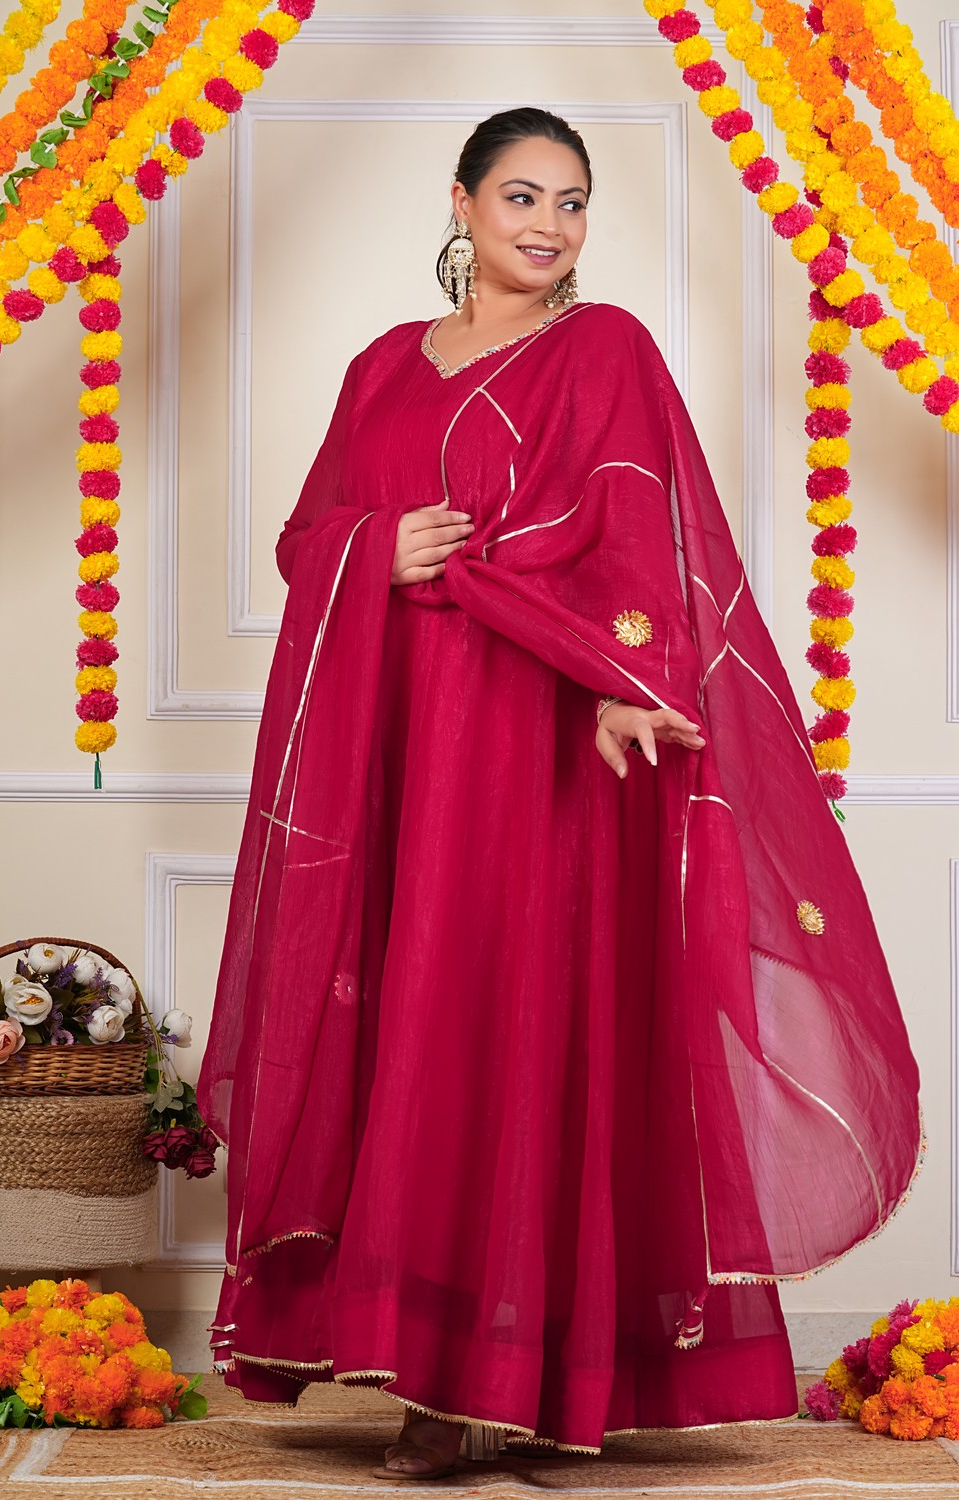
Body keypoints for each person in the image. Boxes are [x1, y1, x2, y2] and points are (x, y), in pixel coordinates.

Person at [197, 107, 922, 1479]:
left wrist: (622, 686)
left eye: (573, 201)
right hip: (395, 749)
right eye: (523, 195)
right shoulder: (378, 369)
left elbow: (639, 549)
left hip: (537, 749)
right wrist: (376, 547)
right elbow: (304, 542)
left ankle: (496, 1379)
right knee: (399, 1024)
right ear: (461, 203)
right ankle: (410, 1360)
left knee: (500, 1027)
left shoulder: (606, 353)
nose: (549, 224)